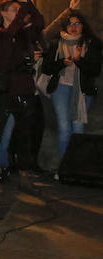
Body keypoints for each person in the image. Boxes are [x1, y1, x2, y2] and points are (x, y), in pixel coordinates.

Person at [0, 0, 44, 193]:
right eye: (14, 9)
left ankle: (24, 174)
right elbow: (8, 39)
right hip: (4, 89)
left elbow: (39, 22)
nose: (19, 13)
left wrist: (28, 2)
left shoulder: (23, 32)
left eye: (19, 10)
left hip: (24, 87)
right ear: (2, 13)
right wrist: (22, 12)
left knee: (25, 133)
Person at [40, 9, 101, 165]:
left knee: (78, 127)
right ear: (65, 27)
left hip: (82, 91)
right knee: (64, 127)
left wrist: (79, 60)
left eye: (77, 24)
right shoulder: (56, 43)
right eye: (70, 24)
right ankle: (64, 166)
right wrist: (61, 63)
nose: (73, 27)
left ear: (83, 26)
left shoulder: (90, 44)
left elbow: (95, 70)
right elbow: (46, 68)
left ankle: (77, 167)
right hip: (60, 88)